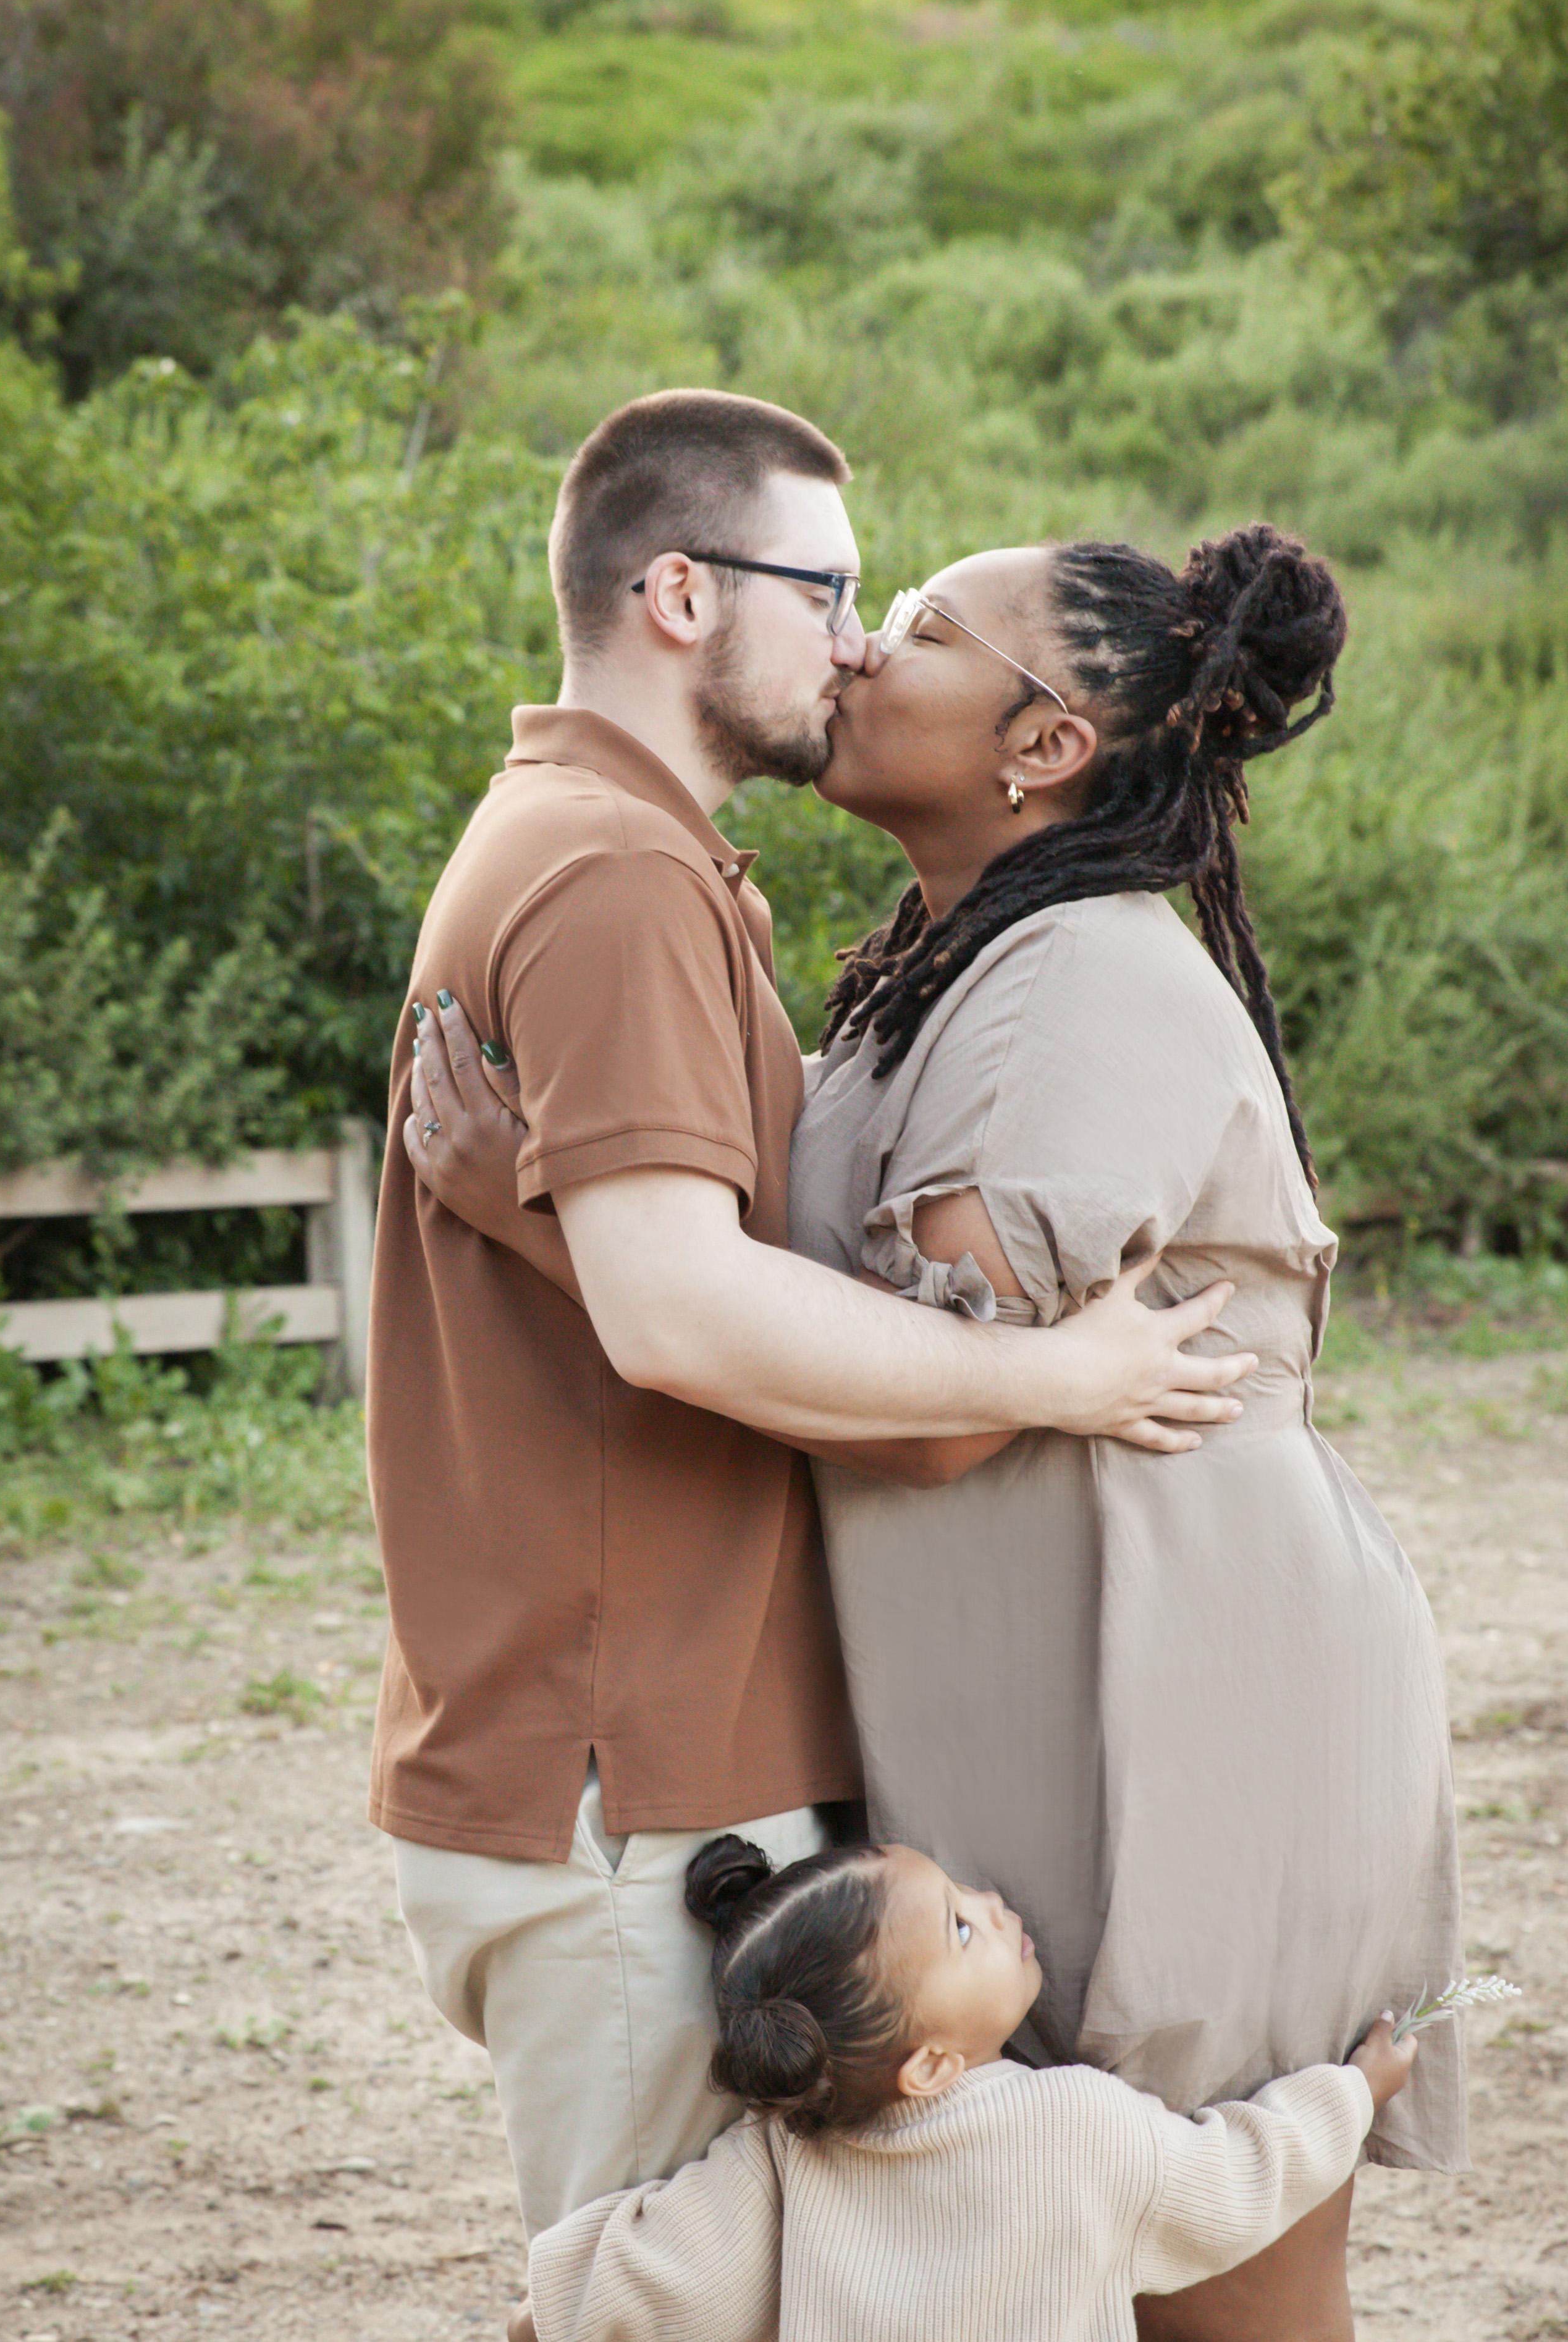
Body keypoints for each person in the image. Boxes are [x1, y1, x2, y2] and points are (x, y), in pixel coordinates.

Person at [413, 516, 1467, 2341]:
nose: (856, 649)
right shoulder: (940, 968)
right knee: (1034, 2236)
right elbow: (813, 1312)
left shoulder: (1080, 986)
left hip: (1183, 1688)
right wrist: (586, 1208)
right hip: (1029, 1679)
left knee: (1217, 2279)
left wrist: (542, 1219)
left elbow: (926, 1418)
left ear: (1041, 741)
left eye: (915, 626)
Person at [368, 389, 1256, 2242]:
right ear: (682, 594)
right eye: (832, 591)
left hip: (615, 1751)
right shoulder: (618, 873)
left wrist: (530, 1217)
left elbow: (669, 1282)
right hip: (637, 1774)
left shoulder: (606, 846)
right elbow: (681, 1315)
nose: (854, 643)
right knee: (649, 2293)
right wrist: (1054, 1371)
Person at [509, 1833, 1419, 2342]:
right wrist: (1352, 2093)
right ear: (930, 2064)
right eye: (958, 1927)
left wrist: (547, 2315)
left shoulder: (778, 2158)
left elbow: (664, 2274)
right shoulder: (1076, 2125)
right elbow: (1238, 2176)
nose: (990, 1903)